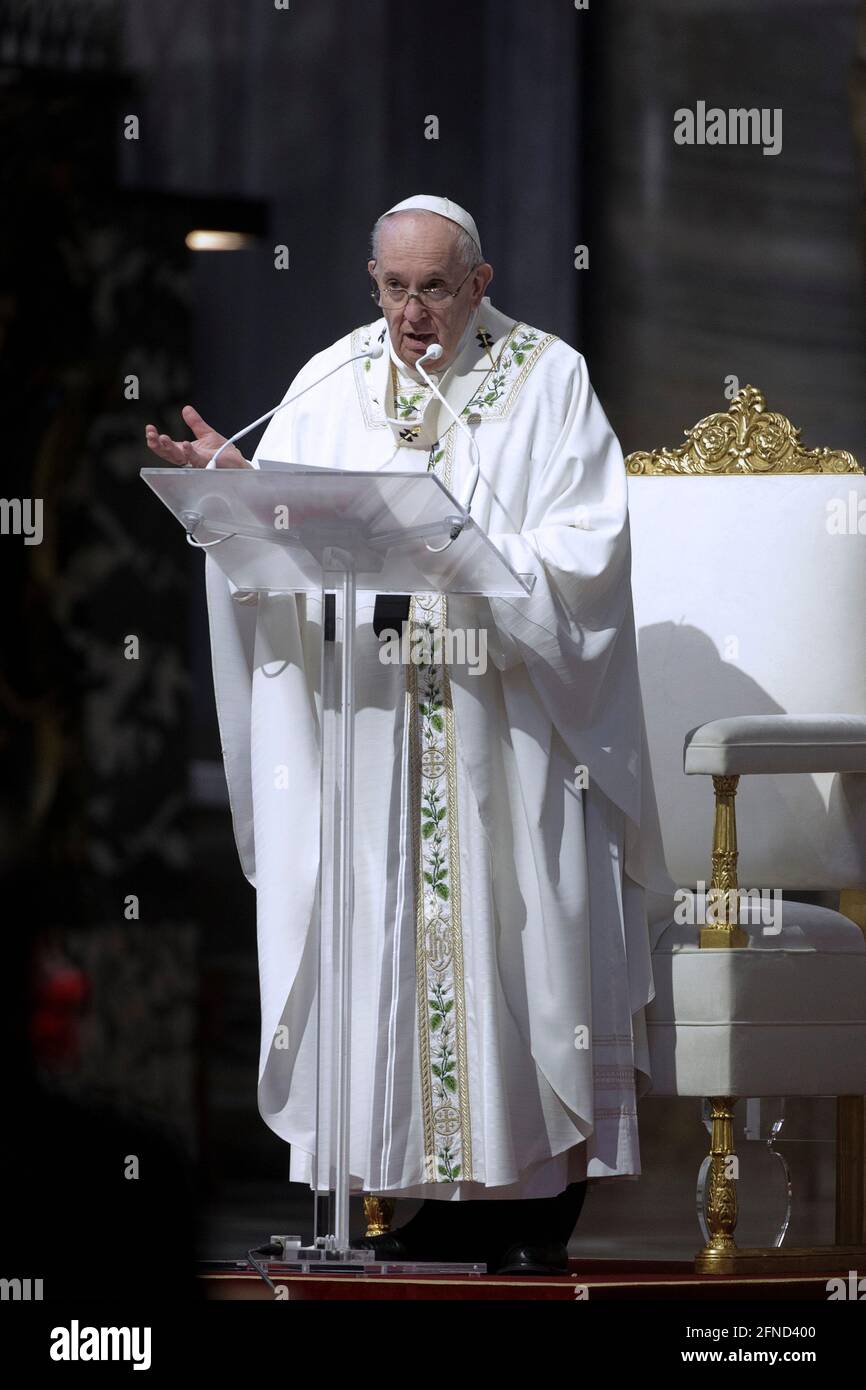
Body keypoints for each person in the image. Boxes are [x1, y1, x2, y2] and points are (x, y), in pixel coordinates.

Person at [145, 194, 667, 1275]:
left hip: (503, 722)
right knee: (377, 944)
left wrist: (458, 559)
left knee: (516, 947)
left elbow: (585, 557)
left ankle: (527, 1205)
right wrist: (244, 498)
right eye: (391, 287)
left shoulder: (546, 378)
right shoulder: (332, 376)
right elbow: (282, 541)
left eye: (433, 288)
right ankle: (412, 1197)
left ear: (477, 284)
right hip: (373, 729)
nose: (410, 313)